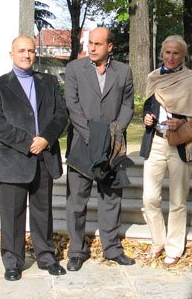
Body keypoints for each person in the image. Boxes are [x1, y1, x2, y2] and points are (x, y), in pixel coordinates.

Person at [0, 35, 68, 281]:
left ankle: (46, 257)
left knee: (43, 212)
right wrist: (28, 143)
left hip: (44, 156)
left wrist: (45, 138)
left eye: (30, 50)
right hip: (13, 159)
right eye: (21, 51)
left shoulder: (49, 82)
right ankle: (12, 261)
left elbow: (61, 114)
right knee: (12, 214)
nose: (26, 55)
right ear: (11, 54)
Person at [64, 27, 135, 270]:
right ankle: (76, 251)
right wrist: (92, 136)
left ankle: (112, 248)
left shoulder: (123, 71)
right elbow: (72, 104)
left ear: (110, 46)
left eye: (98, 44)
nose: (92, 48)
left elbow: (127, 105)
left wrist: (114, 133)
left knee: (111, 198)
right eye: (90, 43)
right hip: (82, 143)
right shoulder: (75, 69)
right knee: (77, 200)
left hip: (112, 145)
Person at [140, 35, 192, 267]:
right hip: (155, 142)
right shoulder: (153, 77)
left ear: (183, 55)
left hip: (180, 144)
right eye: (167, 52)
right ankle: (157, 242)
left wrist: (183, 122)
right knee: (149, 198)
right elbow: (149, 106)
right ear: (162, 53)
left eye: (176, 53)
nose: (170, 56)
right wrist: (147, 118)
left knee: (178, 200)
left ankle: (174, 247)